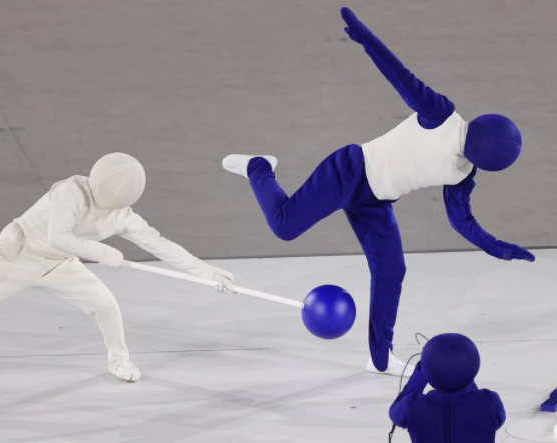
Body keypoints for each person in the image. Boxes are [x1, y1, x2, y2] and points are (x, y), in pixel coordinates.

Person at [221, 7, 534, 376]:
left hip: (376, 202)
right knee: (284, 226)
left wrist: (493, 245)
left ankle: (380, 358)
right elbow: (400, 75)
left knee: (391, 269)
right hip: (349, 170)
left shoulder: (463, 173)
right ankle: (259, 166)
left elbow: (460, 220)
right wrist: (365, 38)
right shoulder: (441, 115)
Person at [0, 153, 234, 389]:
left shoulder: (122, 215)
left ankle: (119, 360)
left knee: (105, 305)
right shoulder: (71, 190)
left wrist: (207, 273)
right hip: (19, 253)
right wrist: (102, 252)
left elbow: (160, 244)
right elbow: (58, 235)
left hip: (61, 263)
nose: (110, 208)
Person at [389, 333, 505, 443]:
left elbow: (395, 414)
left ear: (427, 371)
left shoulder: (411, 405)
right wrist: (465, 378)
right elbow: (497, 420)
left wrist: (418, 377)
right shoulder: (490, 401)